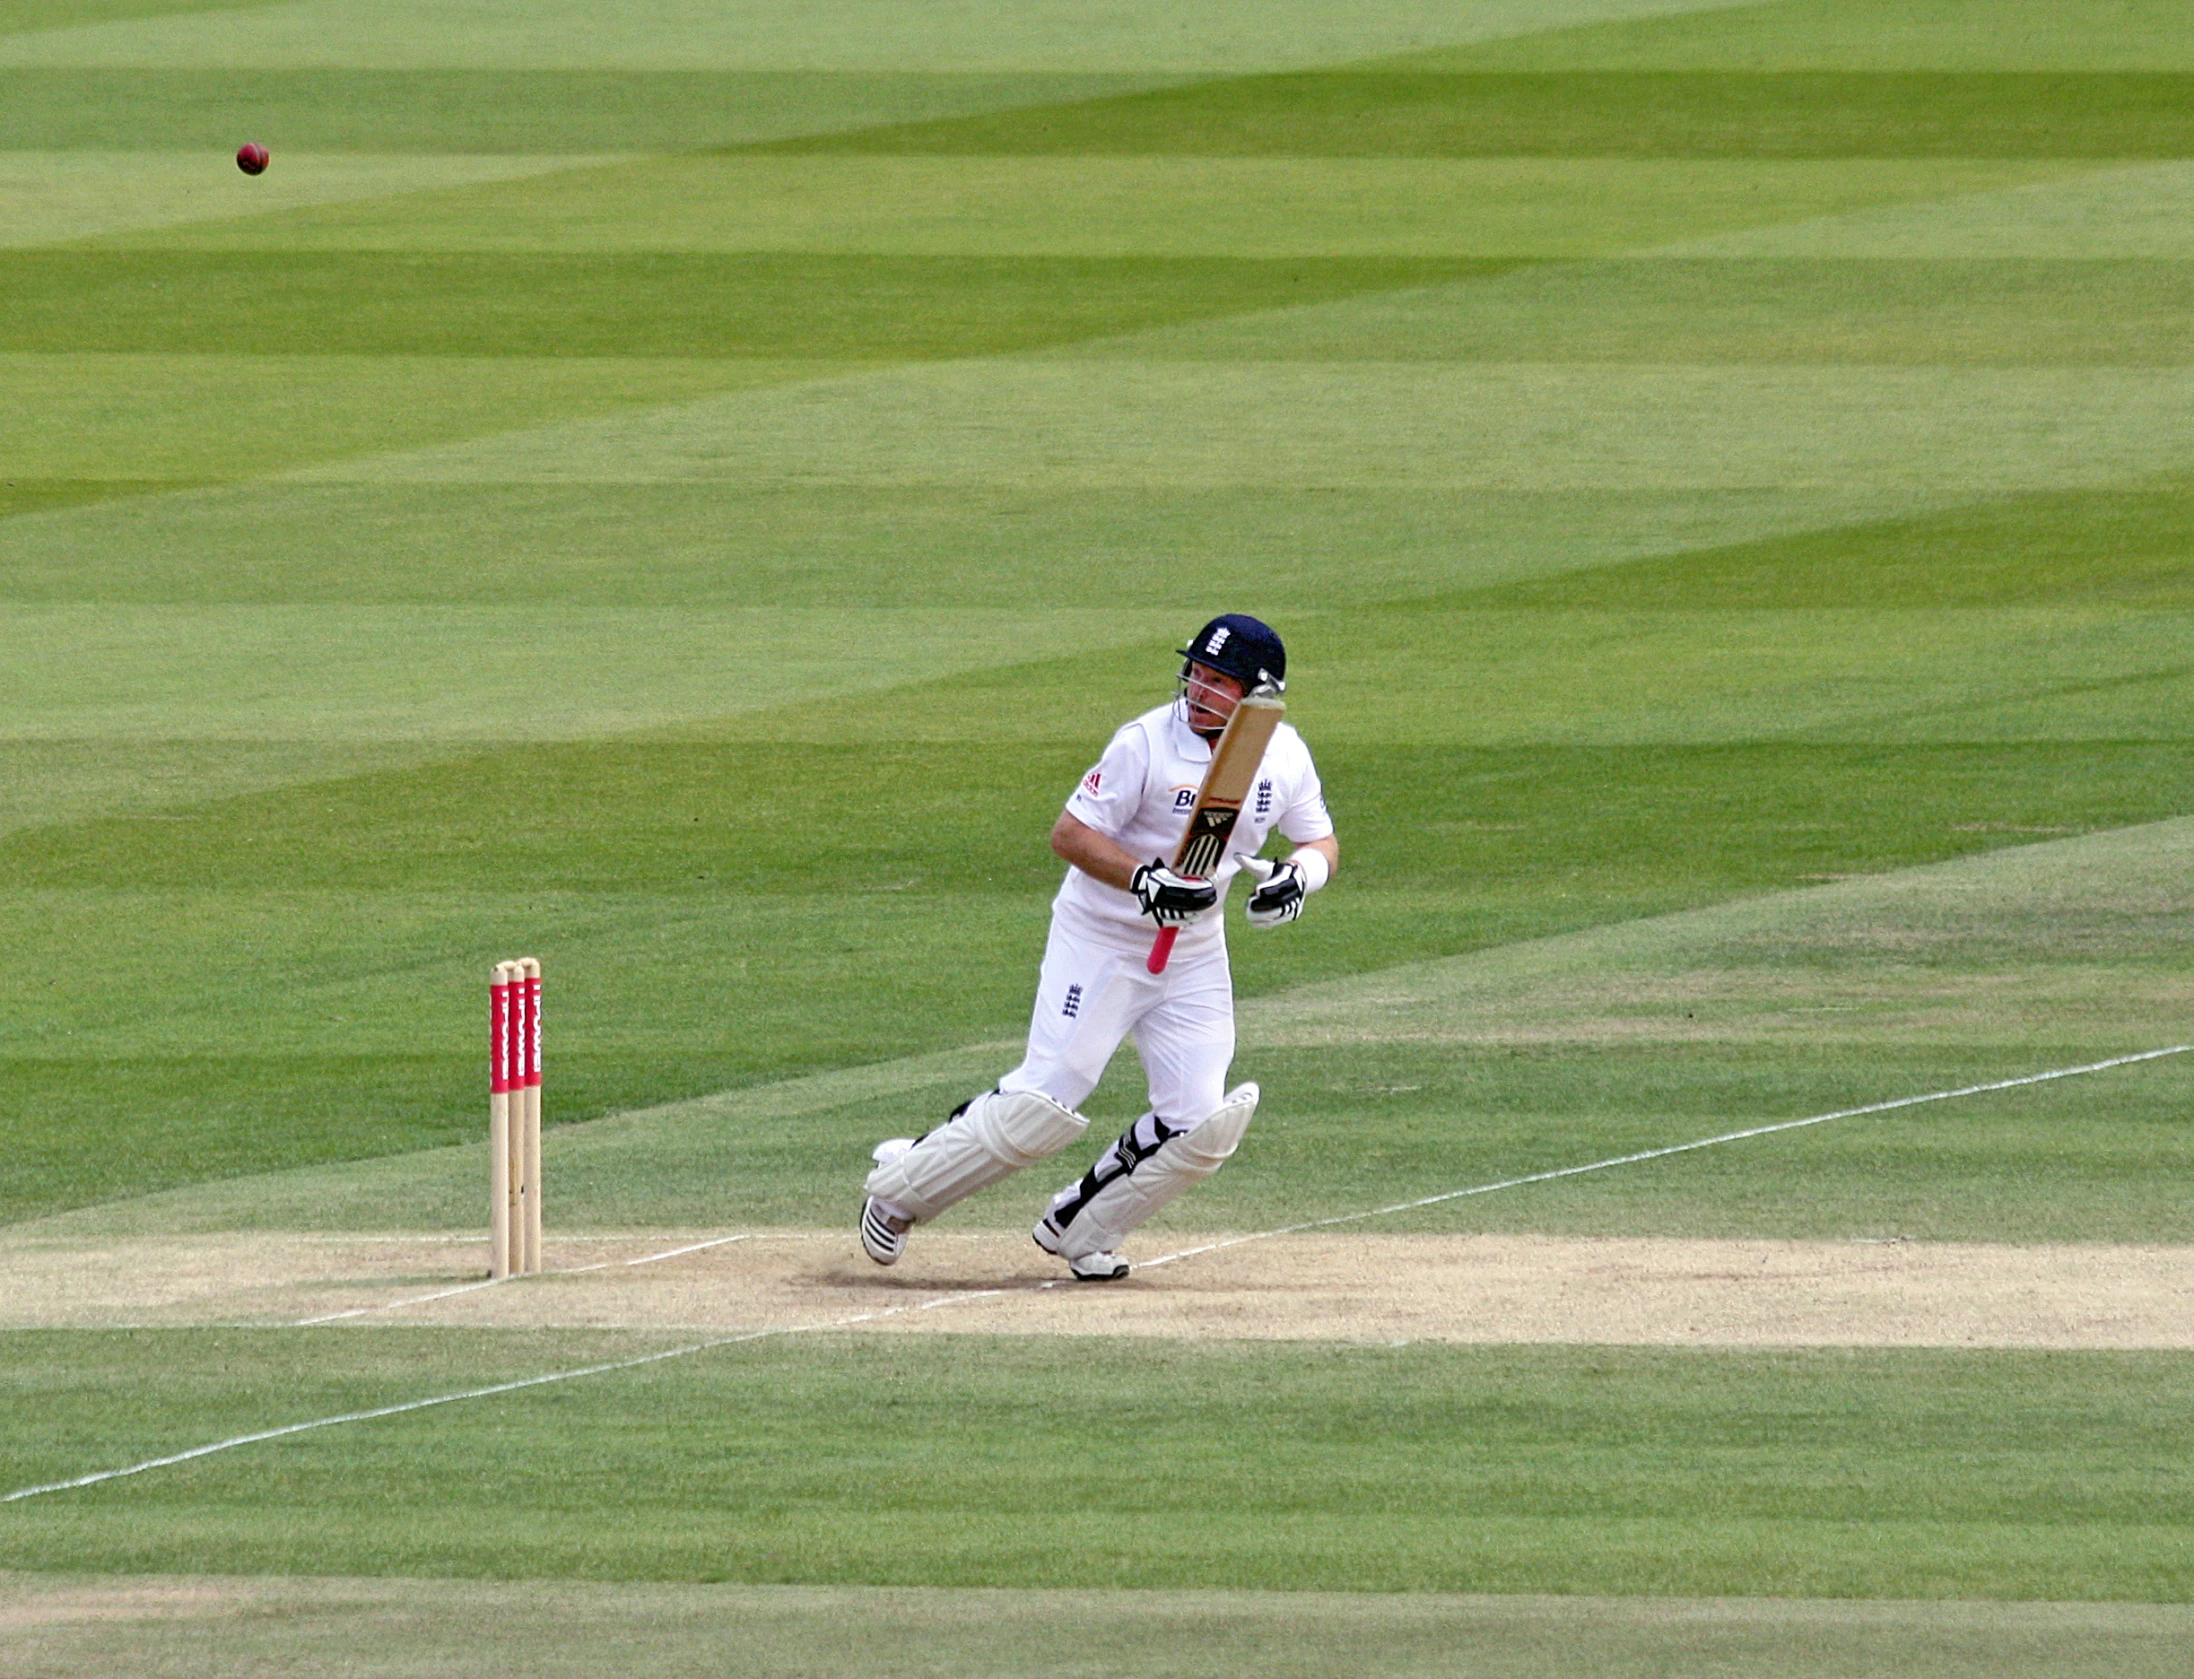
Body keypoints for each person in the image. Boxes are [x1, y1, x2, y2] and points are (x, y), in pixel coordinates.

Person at [859, 613, 1339, 1280]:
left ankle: (1082, 1226)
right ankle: (899, 1188)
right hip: (1102, 937)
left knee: (1201, 1120)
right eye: (1195, 670)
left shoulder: (1283, 754)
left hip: (1194, 950)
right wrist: (1144, 879)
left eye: (1217, 679)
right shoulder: (1145, 742)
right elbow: (1070, 834)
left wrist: (1299, 876)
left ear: (1257, 693)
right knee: (1046, 1100)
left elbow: (1321, 840)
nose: (1197, 687)